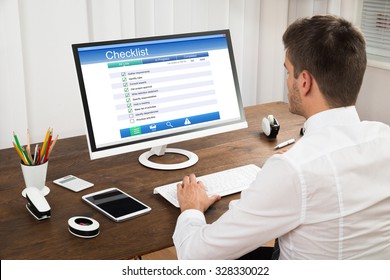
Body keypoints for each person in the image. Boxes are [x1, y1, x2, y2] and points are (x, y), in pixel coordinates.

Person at [172, 15, 390, 260]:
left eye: (288, 72)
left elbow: (194, 257)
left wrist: (191, 210)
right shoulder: (384, 139)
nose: (287, 82)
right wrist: (302, 156)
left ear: (305, 82)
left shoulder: (294, 169)